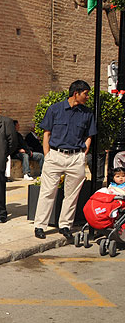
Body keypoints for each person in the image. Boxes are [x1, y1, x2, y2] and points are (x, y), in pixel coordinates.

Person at [34, 80, 97, 240]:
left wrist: (84, 151)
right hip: (55, 155)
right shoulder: (55, 109)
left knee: (72, 195)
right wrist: (47, 154)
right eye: (86, 93)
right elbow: (46, 133)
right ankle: (40, 225)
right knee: (47, 192)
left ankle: (65, 225)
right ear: (76, 93)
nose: (88, 97)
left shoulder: (87, 113)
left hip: (76, 157)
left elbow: (89, 135)